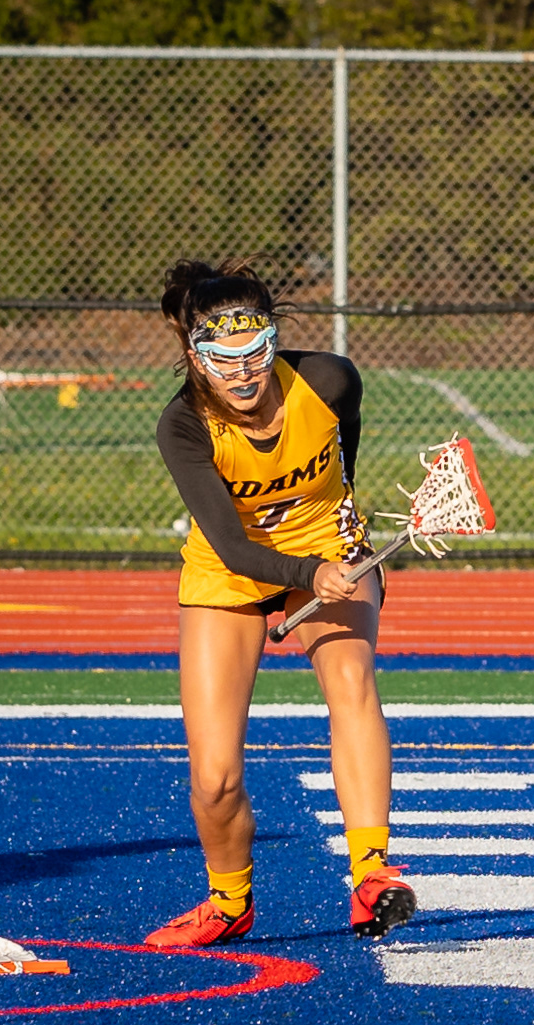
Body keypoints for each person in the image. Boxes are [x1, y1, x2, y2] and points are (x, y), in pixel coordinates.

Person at [148, 258, 414, 947]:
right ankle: (229, 901)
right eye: (222, 358)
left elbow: (343, 460)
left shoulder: (329, 380)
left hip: (327, 548)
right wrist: (308, 571)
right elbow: (233, 548)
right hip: (233, 568)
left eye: (255, 352)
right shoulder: (183, 425)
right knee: (214, 778)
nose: (242, 373)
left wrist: (335, 551)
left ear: (274, 339)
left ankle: (372, 873)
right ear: (194, 356)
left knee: (351, 682)